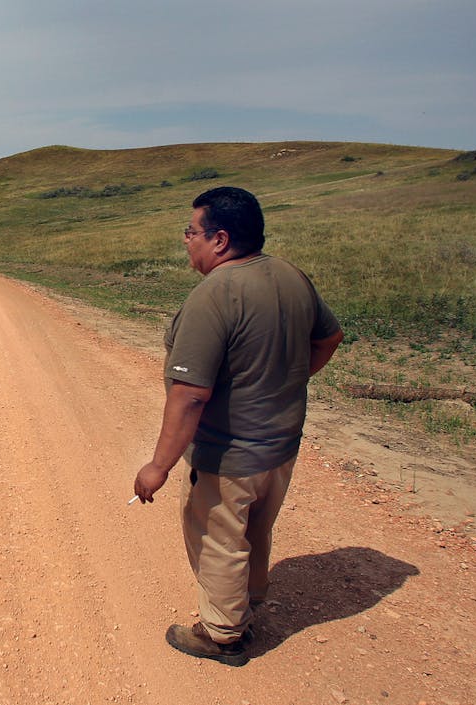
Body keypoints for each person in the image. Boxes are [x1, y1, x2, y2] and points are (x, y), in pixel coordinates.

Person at [133, 186, 343, 667]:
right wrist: (284, 382)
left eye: (191, 232)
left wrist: (158, 467)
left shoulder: (214, 296)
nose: (186, 241)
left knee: (217, 537)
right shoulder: (291, 276)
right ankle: (250, 597)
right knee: (255, 528)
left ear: (220, 239)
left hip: (229, 454)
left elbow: (190, 396)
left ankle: (223, 634)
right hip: (281, 446)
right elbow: (330, 338)